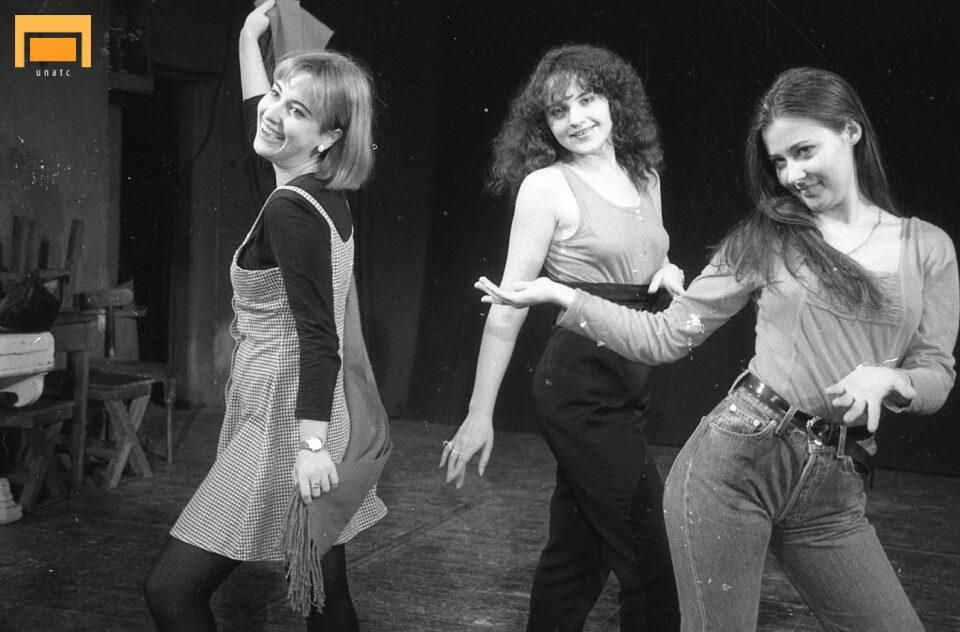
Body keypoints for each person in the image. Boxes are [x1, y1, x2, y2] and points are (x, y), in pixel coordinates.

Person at [476, 66, 959, 632]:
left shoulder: (927, 248)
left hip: (836, 484)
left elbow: (935, 371)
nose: (793, 174)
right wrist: (564, 295)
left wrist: (894, 381)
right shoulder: (766, 239)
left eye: (804, 151)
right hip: (738, 465)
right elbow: (665, 335)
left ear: (850, 131)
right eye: (779, 162)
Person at [144, 2, 390, 630]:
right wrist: (250, 36)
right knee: (322, 584)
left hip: (286, 418)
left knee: (171, 591)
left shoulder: (290, 210)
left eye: (298, 111)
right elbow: (269, 116)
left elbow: (320, 337)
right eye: (277, 94)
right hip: (308, 409)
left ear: (329, 137)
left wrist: (310, 447)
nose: (273, 112)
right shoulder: (321, 193)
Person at [440, 44, 683, 631]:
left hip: (631, 378)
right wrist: (478, 415)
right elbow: (507, 308)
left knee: (579, 553)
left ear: (614, 101)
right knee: (654, 563)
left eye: (587, 99)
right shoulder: (546, 187)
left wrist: (670, 272)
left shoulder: (645, 177)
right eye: (558, 110)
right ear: (542, 124)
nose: (575, 118)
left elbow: (652, 257)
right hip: (581, 386)